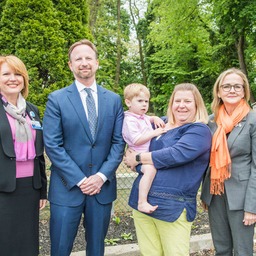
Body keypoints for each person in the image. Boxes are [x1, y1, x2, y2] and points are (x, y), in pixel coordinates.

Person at [43, 39, 125, 256]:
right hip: (66, 188)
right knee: (60, 248)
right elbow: (52, 145)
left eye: (88, 58)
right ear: (70, 65)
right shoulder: (56, 99)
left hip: (102, 189)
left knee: (97, 249)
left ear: (97, 63)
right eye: (78, 59)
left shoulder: (114, 100)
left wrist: (100, 177)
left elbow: (118, 143)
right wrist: (80, 180)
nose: (84, 62)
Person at [124, 83, 212, 255]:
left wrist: (136, 158)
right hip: (141, 202)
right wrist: (134, 160)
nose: (181, 105)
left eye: (187, 101)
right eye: (177, 100)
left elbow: (174, 155)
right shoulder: (159, 124)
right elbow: (135, 143)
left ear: (197, 105)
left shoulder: (198, 130)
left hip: (172, 206)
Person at [201, 68, 256, 255]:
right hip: (215, 194)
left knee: (243, 250)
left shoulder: (253, 120)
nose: (232, 90)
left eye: (237, 86)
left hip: (242, 198)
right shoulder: (210, 121)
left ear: (244, 91)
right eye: (226, 86)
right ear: (218, 91)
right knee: (222, 249)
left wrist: (252, 207)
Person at [0, 55, 47, 256]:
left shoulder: (32, 111)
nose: (13, 78)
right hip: (3, 187)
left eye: (18, 74)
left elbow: (39, 155)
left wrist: (42, 189)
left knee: (27, 243)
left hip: (30, 188)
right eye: (6, 74)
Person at [122, 83, 166, 213]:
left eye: (146, 101)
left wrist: (156, 118)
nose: (144, 104)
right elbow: (136, 140)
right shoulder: (129, 120)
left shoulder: (141, 117)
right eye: (140, 101)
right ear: (128, 103)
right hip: (139, 157)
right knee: (151, 170)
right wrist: (154, 133)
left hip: (145, 156)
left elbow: (150, 118)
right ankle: (142, 202)